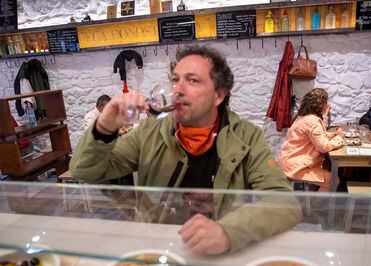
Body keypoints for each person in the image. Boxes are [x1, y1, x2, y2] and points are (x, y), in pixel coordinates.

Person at [70, 45, 301, 255]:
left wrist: (228, 231)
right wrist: (105, 126)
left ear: (218, 95)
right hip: (157, 251)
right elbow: (85, 171)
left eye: (192, 81)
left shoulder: (246, 137)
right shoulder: (150, 132)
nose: (177, 90)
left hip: (218, 254)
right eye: (174, 80)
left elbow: (284, 203)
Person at [279, 88, 345, 192]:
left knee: (327, 165)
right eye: (325, 102)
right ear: (319, 104)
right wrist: (339, 138)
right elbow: (323, 147)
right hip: (296, 167)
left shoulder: (304, 117)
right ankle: (316, 208)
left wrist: (333, 134)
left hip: (291, 161)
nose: (327, 105)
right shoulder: (312, 121)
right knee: (333, 180)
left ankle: (314, 200)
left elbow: (316, 136)